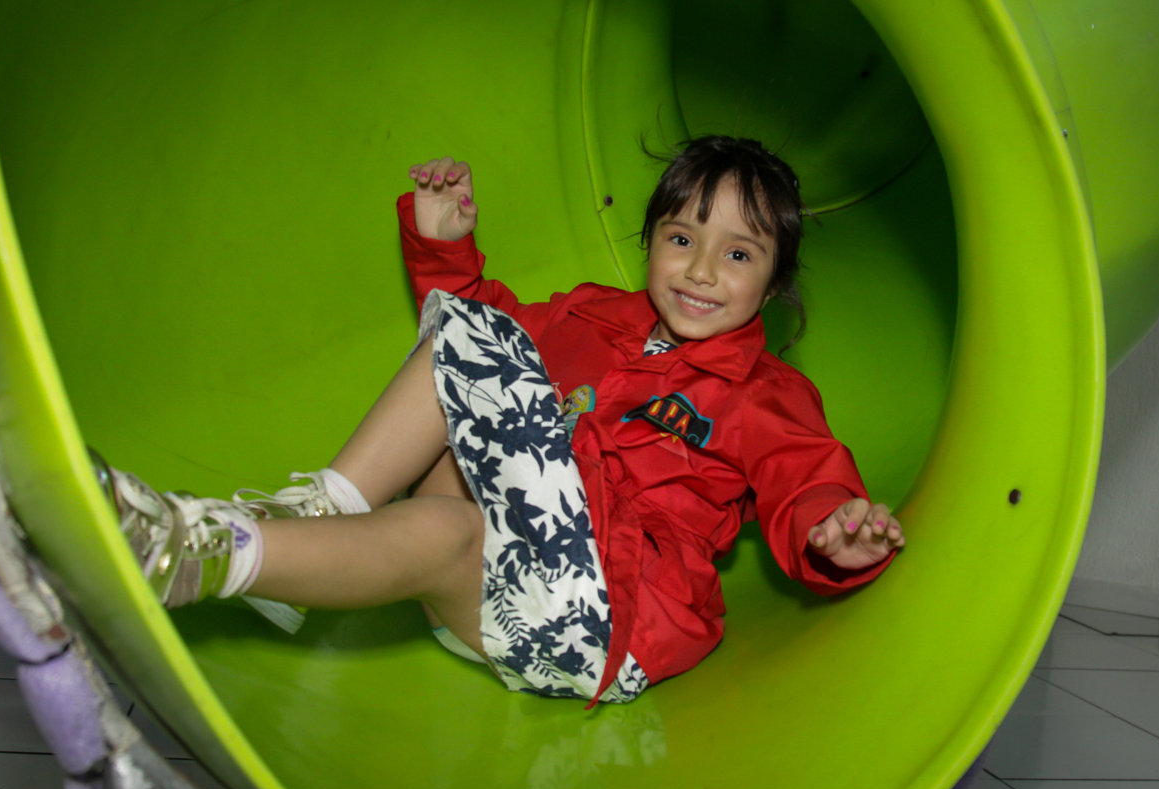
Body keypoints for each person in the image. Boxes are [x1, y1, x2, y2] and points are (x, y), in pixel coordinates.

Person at [97, 135, 904, 707]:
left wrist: (836, 529)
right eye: (681, 237)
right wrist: (446, 248)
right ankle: (311, 522)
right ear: (651, 242)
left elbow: (803, 476)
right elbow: (479, 348)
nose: (698, 269)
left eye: (737, 255)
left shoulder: (764, 394)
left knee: (451, 508)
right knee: (471, 332)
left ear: (770, 288)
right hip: (492, 570)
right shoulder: (594, 317)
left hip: (596, 619)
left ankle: (196, 550)